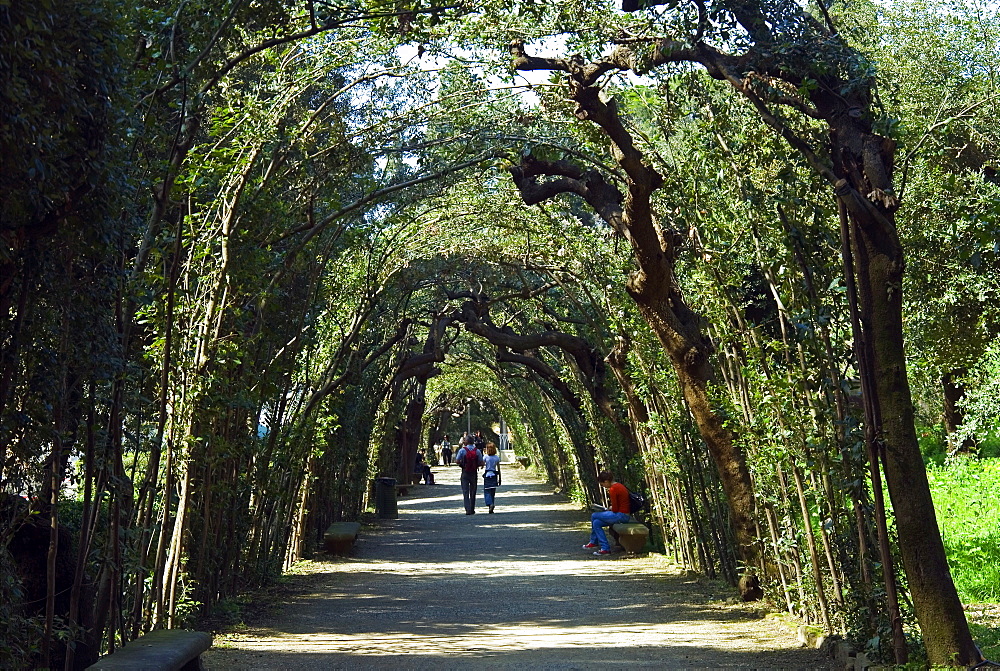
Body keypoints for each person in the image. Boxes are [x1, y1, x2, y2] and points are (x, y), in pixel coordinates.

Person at [582, 470, 630, 555]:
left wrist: (610, 508)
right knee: (596, 523)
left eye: (602, 484)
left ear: (606, 481)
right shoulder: (619, 485)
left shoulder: (613, 489)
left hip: (621, 515)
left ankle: (594, 542)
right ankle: (605, 548)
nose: (603, 486)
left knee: (594, 515)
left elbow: (615, 509)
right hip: (623, 514)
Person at [456, 435, 483, 514]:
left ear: (466, 442)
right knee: (473, 491)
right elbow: (481, 462)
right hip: (474, 473)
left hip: (465, 472)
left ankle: (467, 509)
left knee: (465, 491)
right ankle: (472, 508)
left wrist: (463, 463)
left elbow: (457, 461)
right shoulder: (477, 451)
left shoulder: (462, 450)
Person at [482, 442, 501, 514]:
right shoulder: (496, 458)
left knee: (487, 491)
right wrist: (500, 478)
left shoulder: (485, 457)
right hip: (494, 475)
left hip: (487, 475)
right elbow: (498, 469)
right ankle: (492, 504)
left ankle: (490, 504)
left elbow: (482, 465)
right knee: (492, 492)